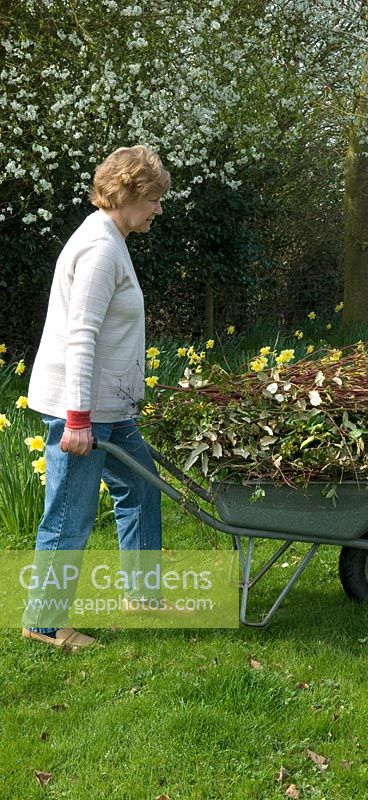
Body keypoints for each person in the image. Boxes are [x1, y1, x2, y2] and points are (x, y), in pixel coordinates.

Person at [23, 145, 171, 650]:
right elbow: (80, 336)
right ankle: (44, 622)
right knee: (69, 512)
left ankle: (142, 594)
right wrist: (78, 421)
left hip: (110, 408)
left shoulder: (112, 237)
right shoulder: (100, 248)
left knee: (141, 487)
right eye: (154, 199)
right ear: (129, 193)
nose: (158, 209)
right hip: (82, 411)